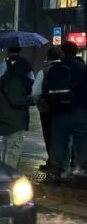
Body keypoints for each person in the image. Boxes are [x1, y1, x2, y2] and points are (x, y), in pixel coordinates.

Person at [46, 41, 87, 181]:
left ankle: (60, 171)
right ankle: (82, 169)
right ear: (76, 52)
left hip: (58, 113)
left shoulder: (54, 69)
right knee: (81, 141)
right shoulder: (82, 67)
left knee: (59, 142)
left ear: (62, 52)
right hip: (79, 112)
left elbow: (46, 90)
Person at [0, 57, 34, 168]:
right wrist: (29, 100)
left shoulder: (4, 78)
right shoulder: (14, 81)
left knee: (6, 147)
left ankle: (5, 172)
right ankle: (11, 175)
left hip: (3, 119)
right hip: (13, 121)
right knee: (14, 148)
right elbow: (16, 100)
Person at [32, 46, 63, 171]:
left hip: (47, 110)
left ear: (48, 58)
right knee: (64, 136)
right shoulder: (67, 69)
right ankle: (67, 162)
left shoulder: (44, 71)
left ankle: (52, 162)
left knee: (49, 135)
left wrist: (36, 100)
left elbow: (36, 91)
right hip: (65, 109)